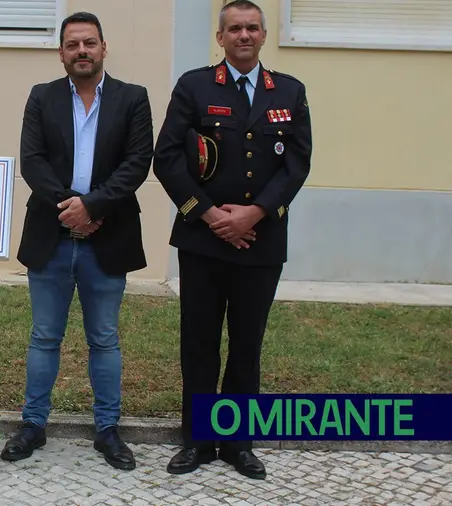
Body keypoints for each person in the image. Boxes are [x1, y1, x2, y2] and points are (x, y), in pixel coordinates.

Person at [152, 0, 312, 480]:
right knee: (199, 344)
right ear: (219, 37)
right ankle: (199, 442)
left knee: (246, 345)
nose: (244, 36)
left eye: (253, 28)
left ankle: (239, 445)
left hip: (261, 244)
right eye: (235, 29)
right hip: (203, 242)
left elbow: (297, 164)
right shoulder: (195, 86)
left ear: (264, 36)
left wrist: (255, 213)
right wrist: (207, 215)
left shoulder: (290, 91)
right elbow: (168, 158)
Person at [0, 11, 155, 471]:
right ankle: (33, 425)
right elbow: (33, 161)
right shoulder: (42, 97)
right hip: (52, 235)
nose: (82, 51)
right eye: (73, 45)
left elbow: (137, 162)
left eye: (90, 43)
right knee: (44, 336)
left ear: (104, 48)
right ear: (62, 52)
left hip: (109, 237)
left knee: (104, 339)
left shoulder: (133, 98)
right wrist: (71, 207)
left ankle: (108, 430)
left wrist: (95, 208)